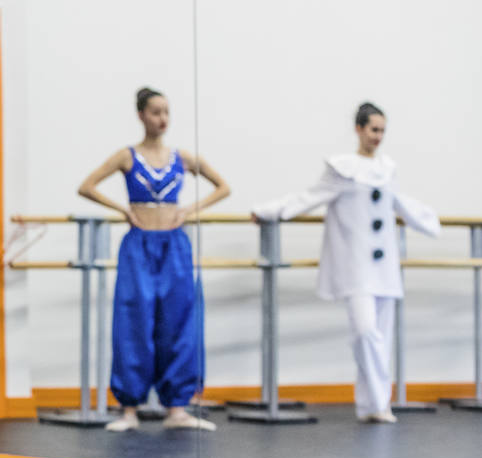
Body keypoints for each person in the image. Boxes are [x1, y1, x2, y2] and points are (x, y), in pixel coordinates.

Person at [253, 102, 439, 423]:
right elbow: (309, 197)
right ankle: (378, 402)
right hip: (356, 267)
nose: (378, 136)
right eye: (373, 129)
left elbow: (399, 203)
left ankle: (372, 405)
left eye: (382, 131)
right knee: (365, 332)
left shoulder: (387, 169)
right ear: (359, 129)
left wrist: (428, 221)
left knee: (381, 333)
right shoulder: (342, 168)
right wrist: (270, 211)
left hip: (385, 267)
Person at [77, 87, 231, 432]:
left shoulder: (183, 157)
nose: (162, 119)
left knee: (178, 322)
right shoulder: (127, 156)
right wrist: (122, 210)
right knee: (134, 322)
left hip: (174, 246)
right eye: (155, 112)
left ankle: (177, 406)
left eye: (166, 112)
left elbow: (223, 186)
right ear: (141, 115)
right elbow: (86, 186)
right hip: (139, 247)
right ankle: (128, 408)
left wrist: (190, 210)